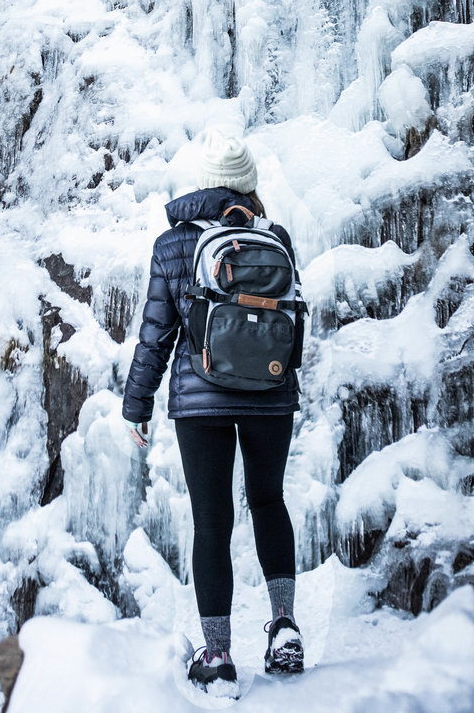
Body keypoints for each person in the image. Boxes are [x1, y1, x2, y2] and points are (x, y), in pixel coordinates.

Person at [122, 130, 304, 697]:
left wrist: (137, 405)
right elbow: (296, 321)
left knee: (212, 521)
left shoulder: (174, 245)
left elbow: (156, 336)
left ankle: (219, 656)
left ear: (203, 182)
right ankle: (284, 630)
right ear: (249, 185)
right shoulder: (274, 236)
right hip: (270, 396)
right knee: (269, 501)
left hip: (200, 401)